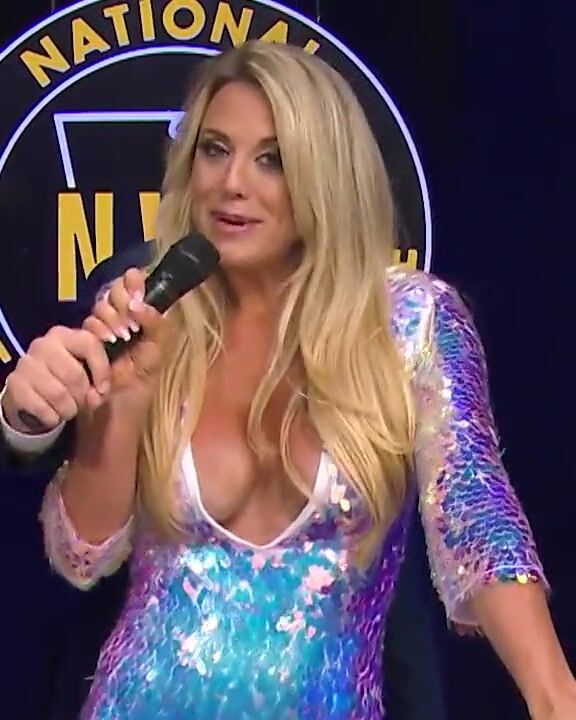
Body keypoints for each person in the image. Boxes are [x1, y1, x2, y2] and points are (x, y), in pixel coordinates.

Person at [0, 41, 574, 719]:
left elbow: (475, 512)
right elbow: (81, 556)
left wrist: (554, 694)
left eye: (270, 159)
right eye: (215, 150)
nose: (232, 182)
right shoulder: (153, 308)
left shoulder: (411, 322)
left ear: (326, 173)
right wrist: (124, 403)